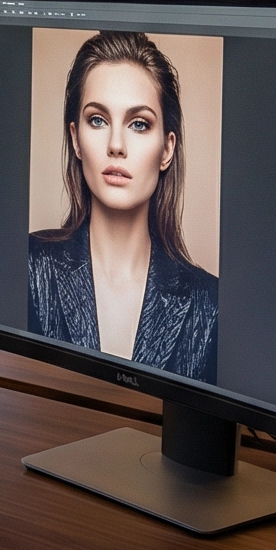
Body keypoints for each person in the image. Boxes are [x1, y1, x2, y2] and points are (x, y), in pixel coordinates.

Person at [28, 30, 217, 380]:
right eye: (97, 120)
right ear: (76, 140)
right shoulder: (28, 266)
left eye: (139, 124)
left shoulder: (210, 305)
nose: (116, 145)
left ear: (167, 149)